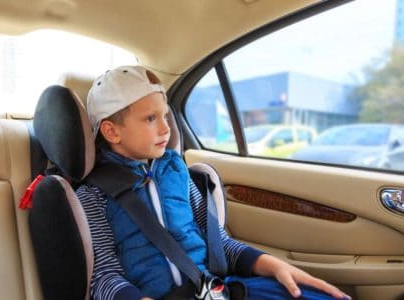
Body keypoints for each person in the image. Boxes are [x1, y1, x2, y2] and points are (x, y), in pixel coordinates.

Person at [76, 65, 351, 300]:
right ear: (111, 131)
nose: (165, 128)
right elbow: (103, 277)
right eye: (150, 118)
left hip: (213, 289)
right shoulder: (93, 195)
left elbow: (218, 242)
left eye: (164, 115)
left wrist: (273, 265)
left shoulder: (178, 173)